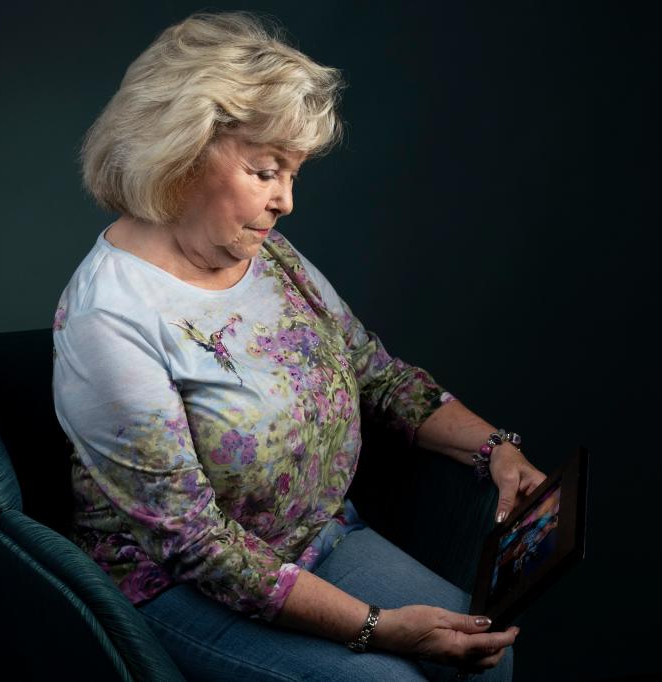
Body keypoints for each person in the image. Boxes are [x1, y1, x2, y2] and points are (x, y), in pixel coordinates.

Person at [51, 10, 546, 681]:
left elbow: (373, 373)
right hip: (177, 586)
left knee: (486, 656)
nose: (285, 200)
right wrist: (378, 629)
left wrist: (495, 449)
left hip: (318, 541)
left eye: (293, 173)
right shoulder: (110, 317)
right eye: (264, 171)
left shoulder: (267, 255)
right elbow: (194, 544)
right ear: (183, 152)